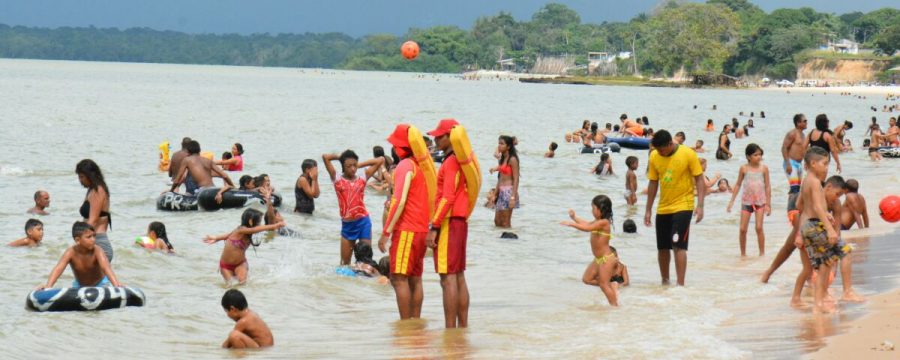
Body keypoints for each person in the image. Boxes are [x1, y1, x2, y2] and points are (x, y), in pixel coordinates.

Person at [794, 163, 864, 312]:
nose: (837, 198)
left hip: (817, 232)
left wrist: (833, 236)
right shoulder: (815, 191)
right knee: (815, 267)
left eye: (840, 196)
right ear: (828, 187)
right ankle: (818, 299)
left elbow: (837, 227)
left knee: (818, 266)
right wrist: (800, 234)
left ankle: (806, 298)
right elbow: (801, 208)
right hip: (811, 230)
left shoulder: (836, 203)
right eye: (837, 194)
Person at [379, 124, 431, 320]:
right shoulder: (421, 166)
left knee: (399, 279)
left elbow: (399, 201)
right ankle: (415, 323)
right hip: (421, 231)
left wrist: (386, 233)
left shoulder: (404, 166)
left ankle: (406, 324)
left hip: (407, 230)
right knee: (415, 279)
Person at [425, 118, 473, 328]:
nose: (435, 139)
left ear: (450, 137)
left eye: (439, 135)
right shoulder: (460, 160)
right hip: (459, 221)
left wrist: (434, 227)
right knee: (458, 276)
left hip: (449, 222)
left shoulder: (451, 161)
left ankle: (450, 330)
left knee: (448, 279)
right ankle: (461, 328)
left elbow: (447, 197)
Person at [644, 130, 705, 286]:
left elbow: (699, 179)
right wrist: (648, 209)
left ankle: (680, 285)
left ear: (670, 144)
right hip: (663, 207)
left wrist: (700, 205)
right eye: (657, 150)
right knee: (662, 248)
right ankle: (665, 282)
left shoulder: (688, 154)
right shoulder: (654, 156)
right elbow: (653, 182)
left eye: (662, 150)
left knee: (678, 246)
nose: (660, 153)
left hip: (683, 206)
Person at [760, 114, 809, 283]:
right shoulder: (792, 134)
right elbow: (784, 148)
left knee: (797, 188)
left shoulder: (803, 135)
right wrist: (787, 162)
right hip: (791, 163)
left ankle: (795, 208)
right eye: (804, 121)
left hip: (799, 163)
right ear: (797, 122)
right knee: (795, 188)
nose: (806, 123)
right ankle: (792, 210)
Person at [322, 150, 384, 265]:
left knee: (365, 261)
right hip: (348, 226)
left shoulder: (363, 177)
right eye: (348, 166)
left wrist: (359, 164)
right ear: (343, 166)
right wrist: (340, 156)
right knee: (345, 264)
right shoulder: (337, 178)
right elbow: (325, 157)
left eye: (354, 165)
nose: (353, 169)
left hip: (363, 222)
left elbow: (380, 160)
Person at [561, 195, 618, 306]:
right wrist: (574, 218)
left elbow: (587, 229)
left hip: (606, 259)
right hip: (598, 259)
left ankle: (615, 307)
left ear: (601, 209)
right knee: (587, 279)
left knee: (604, 285)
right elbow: (587, 224)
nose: (592, 211)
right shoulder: (598, 221)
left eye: (593, 208)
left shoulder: (604, 222)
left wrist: (572, 224)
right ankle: (612, 286)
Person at [204, 208, 284, 285]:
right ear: (250, 221)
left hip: (240, 263)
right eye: (258, 222)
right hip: (226, 266)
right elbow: (254, 230)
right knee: (231, 286)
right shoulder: (241, 229)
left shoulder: (248, 232)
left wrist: (216, 238)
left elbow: (228, 235)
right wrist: (275, 225)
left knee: (242, 283)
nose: (259, 224)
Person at [36, 222, 122, 289]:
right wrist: (48, 286)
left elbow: (106, 267)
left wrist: (116, 284)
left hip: (101, 283)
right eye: (89, 237)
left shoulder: (97, 250)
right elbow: (58, 268)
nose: (93, 239)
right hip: (80, 284)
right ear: (77, 240)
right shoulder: (70, 252)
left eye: (94, 236)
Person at [726, 144, 772, 257]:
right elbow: (738, 184)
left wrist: (768, 204)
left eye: (760, 154)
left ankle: (762, 254)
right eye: (755, 155)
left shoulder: (764, 168)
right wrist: (731, 201)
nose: (759, 157)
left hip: (760, 202)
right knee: (742, 229)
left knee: (759, 227)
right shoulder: (744, 168)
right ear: (748, 156)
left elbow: (767, 186)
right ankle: (743, 254)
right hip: (746, 202)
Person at [76, 159, 115, 262]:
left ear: (90, 175)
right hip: (93, 242)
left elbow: (92, 221)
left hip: (99, 243)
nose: (80, 180)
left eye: (82, 177)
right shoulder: (92, 190)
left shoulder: (98, 191)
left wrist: (79, 241)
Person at [169, 140, 235, 199]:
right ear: (199, 150)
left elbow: (177, 180)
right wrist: (232, 186)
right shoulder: (208, 161)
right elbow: (225, 175)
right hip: (213, 189)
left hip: (203, 191)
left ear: (188, 151)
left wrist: (171, 191)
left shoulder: (187, 160)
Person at [491, 135, 520, 228]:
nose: (499, 146)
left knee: (505, 222)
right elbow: (500, 178)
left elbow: (516, 179)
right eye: (499, 143)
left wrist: (513, 197)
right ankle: (501, 242)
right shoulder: (502, 159)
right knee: (497, 221)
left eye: (502, 144)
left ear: (508, 147)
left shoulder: (513, 159)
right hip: (501, 192)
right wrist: (495, 194)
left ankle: (510, 240)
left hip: (509, 192)